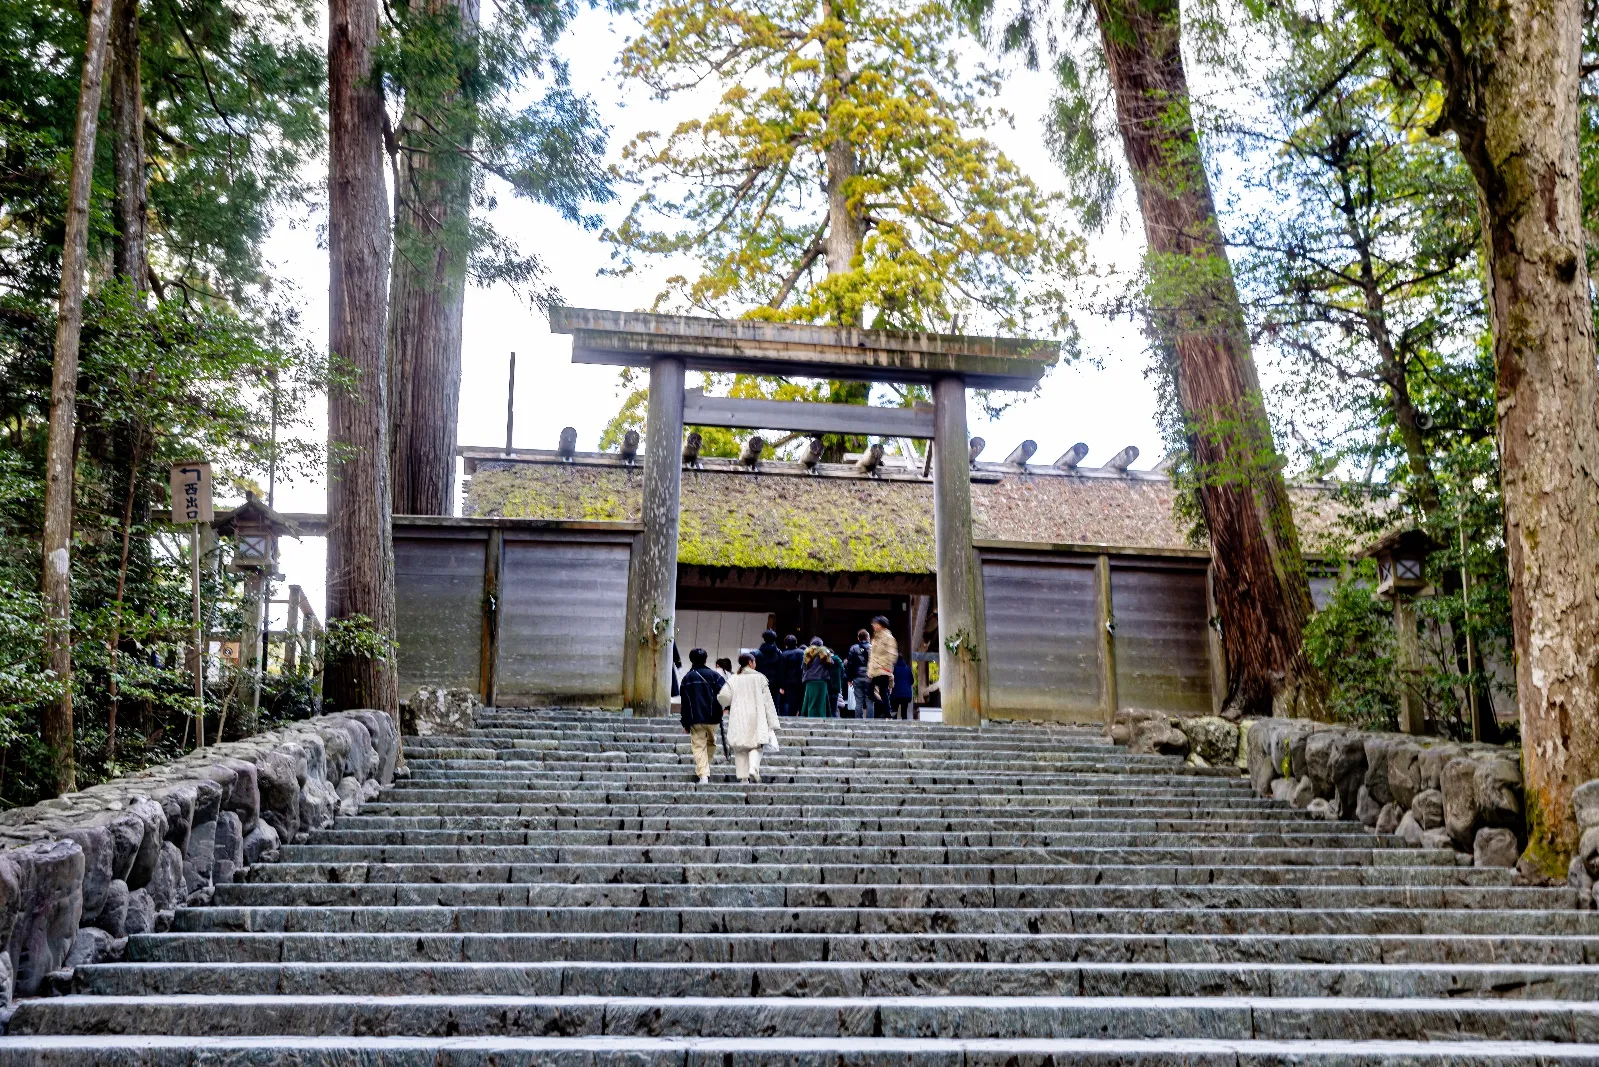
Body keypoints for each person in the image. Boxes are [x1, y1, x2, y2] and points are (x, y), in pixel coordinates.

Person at [717, 652, 780, 782]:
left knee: (740, 749)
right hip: (756, 717)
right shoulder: (760, 678)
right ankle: (753, 768)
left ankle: (743, 779)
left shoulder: (734, 678)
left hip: (739, 717)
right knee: (756, 746)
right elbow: (768, 702)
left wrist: (725, 705)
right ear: (751, 663)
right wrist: (773, 722)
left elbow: (723, 697)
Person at [678, 647, 726, 783]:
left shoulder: (687, 679)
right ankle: (704, 770)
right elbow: (725, 693)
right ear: (705, 659)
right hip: (713, 718)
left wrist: (685, 722)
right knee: (711, 744)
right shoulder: (715, 676)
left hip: (695, 718)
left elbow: (685, 703)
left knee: (699, 746)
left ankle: (703, 772)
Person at [867, 615, 898, 719]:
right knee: (870, 692)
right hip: (874, 669)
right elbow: (872, 656)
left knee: (883, 692)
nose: (874, 626)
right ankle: (886, 709)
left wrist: (887, 667)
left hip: (883, 669)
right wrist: (869, 671)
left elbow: (892, 654)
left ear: (882, 625)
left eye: (876, 624)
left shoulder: (889, 638)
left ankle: (887, 714)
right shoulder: (875, 638)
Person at [799, 638, 834, 718]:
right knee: (821, 701)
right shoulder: (824, 652)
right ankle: (822, 716)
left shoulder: (807, 653)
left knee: (810, 700)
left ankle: (809, 716)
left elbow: (803, 667)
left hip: (810, 680)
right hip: (821, 680)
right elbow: (831, 663)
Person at [845, 628, 872, 720]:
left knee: (859, 701)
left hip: (857, 677)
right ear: (868, 638)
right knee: (870, 701)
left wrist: (849, 678)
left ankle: (858, 720)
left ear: (858, 638)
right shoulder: (872, 648)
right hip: (870, 677)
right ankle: (870, 721)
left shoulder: (853, 648)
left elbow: (850, 664)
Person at [778, 634, 804, 716]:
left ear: (785, 644)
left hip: (790, 682)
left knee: (792, 702)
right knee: (802, 701)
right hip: (802, 680)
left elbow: (782, 671)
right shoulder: (802, 653)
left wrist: (781, 685)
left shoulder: (784, 654)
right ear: (796, 642)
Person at [892, 653, 914, 720]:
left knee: (894, 711)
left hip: (896, 693)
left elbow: (891, 680)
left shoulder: (894, 669)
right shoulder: (908, 669)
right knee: (904, 713)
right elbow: (912, 681)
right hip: (906, 694)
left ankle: (894, 727)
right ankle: (905, 726)